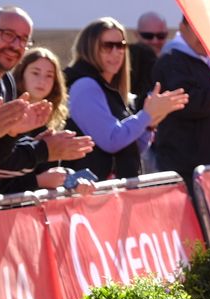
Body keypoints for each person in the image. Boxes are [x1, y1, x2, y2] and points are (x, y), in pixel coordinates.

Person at [0, 7, 92, 193]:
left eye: (23, 39)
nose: (15, 45)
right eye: (8, 34)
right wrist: (42, 150)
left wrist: (14, 136)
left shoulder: (7, 82)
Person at [65, 17, 188, 180]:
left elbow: (132, 146)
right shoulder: (85, 85)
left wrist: (149, 125)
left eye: (121, 45)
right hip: (94, 196)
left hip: (114, 192)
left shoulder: (108, 87)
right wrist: (146, 115)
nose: (116, 52)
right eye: (108, 46)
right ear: (89, 48)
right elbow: (112, 140)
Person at [152, 19, 210, 176]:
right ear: (183, 27)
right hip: (187, 170)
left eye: (209, 30)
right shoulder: (171, 61)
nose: (204, 36)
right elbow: (191, 103)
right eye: (198, 28)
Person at [128, 11, 168, 108]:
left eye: (160, 36)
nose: (155, 41)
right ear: (136, 35)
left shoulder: (171, 59)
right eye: (148, 36)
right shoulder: (128, 60)